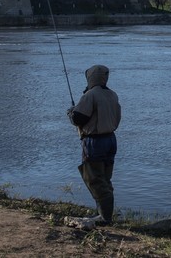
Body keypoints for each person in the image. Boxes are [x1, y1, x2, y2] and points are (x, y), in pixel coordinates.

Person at [66, 64, 121, 226]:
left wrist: (71, 113)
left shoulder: (90, 95)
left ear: (90, 77)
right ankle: (102, 213)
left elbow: (78, 119)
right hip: (111, 139)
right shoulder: (112, 95)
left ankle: (105, 218)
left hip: (95, 142)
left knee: (95, 179)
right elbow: (117, 117)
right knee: (105, 179)